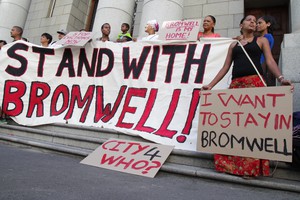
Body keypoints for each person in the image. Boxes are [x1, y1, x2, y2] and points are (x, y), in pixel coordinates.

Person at [201, 15, 293, 178]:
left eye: (255, 20)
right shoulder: (233, 45)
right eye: (249, 19)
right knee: (233, 126)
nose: (253, 22)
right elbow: (225, 67)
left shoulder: (261, 41)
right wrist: (211, 85)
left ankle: (249, 169)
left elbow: (270, 61)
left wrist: (281, 78)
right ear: (241, 24)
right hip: (236, 86)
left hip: (254, 85)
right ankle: (230, 166)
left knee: (252, 128)